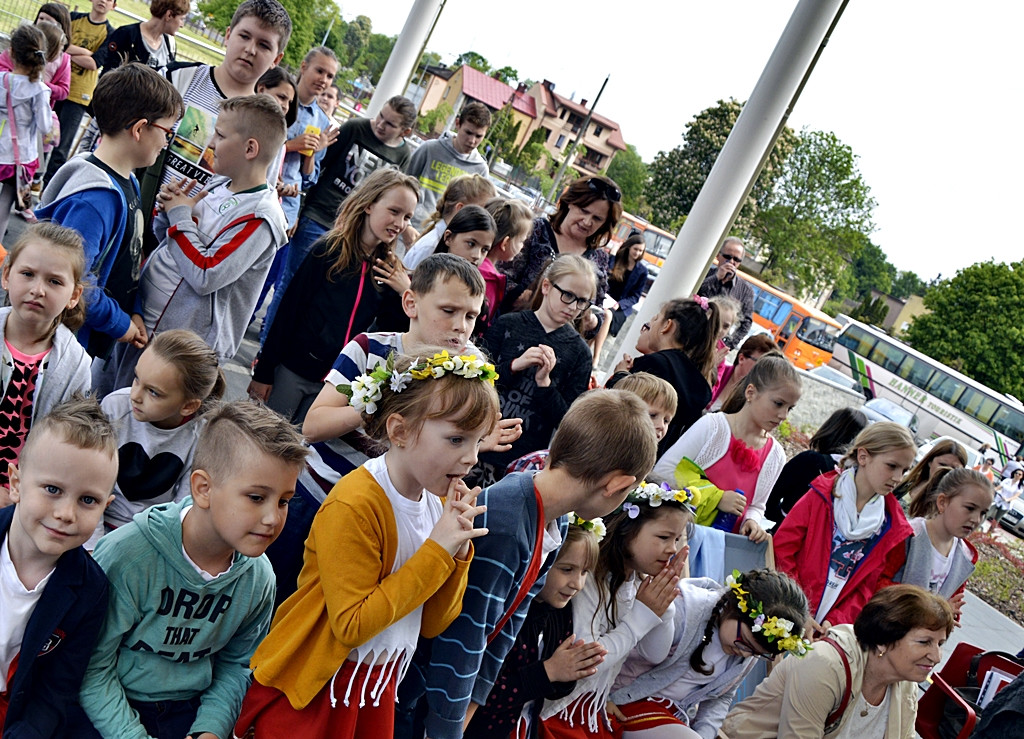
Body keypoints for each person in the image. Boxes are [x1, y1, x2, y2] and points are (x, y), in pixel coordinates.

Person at [236, 351, 496, 736]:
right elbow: (351, 624)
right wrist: (437, 552)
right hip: (316, 689)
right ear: (400, 431)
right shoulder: (356, 501)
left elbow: (432, 624)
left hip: (373, 691)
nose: (471, 457)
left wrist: (456, 556)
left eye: (478, 441)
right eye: (456, 438)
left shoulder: (437, 503)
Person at [396, 389, 659, 739]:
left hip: (445, 699)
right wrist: (446, 731)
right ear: (617, 485)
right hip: (411, 691)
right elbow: (462, 638)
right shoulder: (507, 523)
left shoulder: (557, 520)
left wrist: (470, 708)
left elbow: (504, 630)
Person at [272, 254, 517, 606]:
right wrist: (378, 399)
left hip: (381, 515)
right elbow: (313, 425)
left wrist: (474, 437)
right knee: (284, 598)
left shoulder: (467, 368)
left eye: (471, 316)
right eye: (448, 311)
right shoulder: (370, 348)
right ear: (411, 303)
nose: (461, 326)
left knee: (341, 604)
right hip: (318, 496)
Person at [76, 401, 308, 739]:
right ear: (203, 489)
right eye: (257, 497)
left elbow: (236, 665)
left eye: (284, 501)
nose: (273, 518)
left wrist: (210, 730)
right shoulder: (127, 557)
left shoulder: (259, 579)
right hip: (110, 708)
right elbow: (91, 666)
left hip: (191, 710)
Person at [98, 93, 288, 394]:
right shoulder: (217, 184)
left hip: (179, 354)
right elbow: (171, 243)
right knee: (103, 402)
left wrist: (179, 216)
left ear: (251, 148)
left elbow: (205, 272)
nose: (210, 142)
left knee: (137, 426)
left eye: (221, 135)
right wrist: (168, 211)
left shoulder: (261, 217)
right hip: (141, 325)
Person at [248, 168, 419, 423]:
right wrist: (264, 372)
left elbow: (394, 332)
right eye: (394, 211)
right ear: (369, 204)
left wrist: (403, 292)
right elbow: (288, 311)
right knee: (263, 441)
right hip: (293, 371)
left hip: (336, 384)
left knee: (300, 456)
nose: (400, 223)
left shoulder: (388, 269)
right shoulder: (327, 250)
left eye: (407, 217)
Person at [36, 63, 183, 359]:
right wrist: (120, 323)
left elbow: (125, 262)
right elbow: (75, 282)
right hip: (64, 348)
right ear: (140, 129)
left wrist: (134, 311)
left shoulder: (127, 180)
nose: (167, 141)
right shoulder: (95, 199)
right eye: (167, 130)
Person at [0, 397, 117, 736]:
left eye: (87, 500)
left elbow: (55, 690)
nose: (67, 513)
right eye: (52, 489)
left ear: (106, 506)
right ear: (17, 483)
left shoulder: (90, 590)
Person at [539, 481, 691, 737]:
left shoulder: (636, 583)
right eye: (664, 537)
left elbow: (654, 654)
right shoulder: (588, 579)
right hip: (557, 710)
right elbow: (585, 662)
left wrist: (664, 607)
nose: (672, 549)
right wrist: (641, 617)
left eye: (677, 539)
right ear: (626, 529)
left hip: (590, 709)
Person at [260, 94, 416, 339]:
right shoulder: (355, 128)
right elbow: (318, 171)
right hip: (320, 216)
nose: (380, 124)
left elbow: (396, 193)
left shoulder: (403, 155)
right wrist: (301, 211)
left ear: (405, 131)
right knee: (293, 284)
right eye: (381, 116)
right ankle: (266, 344)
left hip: (356, 230)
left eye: (390, 124)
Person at [718, 585, 954, 739]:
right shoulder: (824, 664)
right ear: (883, 640)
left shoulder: (905, 683)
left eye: (940, 644)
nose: (936, 656)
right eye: (924, 642)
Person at [609, 570, 812, 739]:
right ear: (734, 607)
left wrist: (704, 734)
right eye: (745, 642)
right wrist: (602, 697)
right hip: (623, 700)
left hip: (669, 716)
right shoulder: (687, 612)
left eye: (757, 653)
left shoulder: (748, 649)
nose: (745, 652)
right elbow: (627, 651)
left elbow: (720, 698)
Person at [140, 0, 291, 222]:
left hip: (197, 247)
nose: (250, 50)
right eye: (244, 36)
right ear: (228, 35)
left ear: (276, 59)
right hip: (139, 221)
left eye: (264, 45)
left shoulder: (268, 126)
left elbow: (256, 198)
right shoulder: (175, 78)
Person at [464, 522, 604, 739]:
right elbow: (483, 696)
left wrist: (569, 672)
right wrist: (548, 672)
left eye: (585, 572)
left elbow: (555, 689)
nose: (577, 583)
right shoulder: (508, 615)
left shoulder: (558, 612)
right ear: (541, 561)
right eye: (567, 569)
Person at [774, 422, 916, 633]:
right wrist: (797, 607)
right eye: (891, 466)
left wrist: (834, 622)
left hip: (827, 628)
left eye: (904, 470)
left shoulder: (891, 525)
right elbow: (783, 548)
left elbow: (866, 588)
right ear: (863, 456)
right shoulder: (821, 495)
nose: (897, 478)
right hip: (785, 606)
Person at [653, 355, 801, 543]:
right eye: (778, 404)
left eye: (790, 408)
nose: (783, 415)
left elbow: (757, 505)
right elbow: (663, 473)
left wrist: (752, 522)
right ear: (751, 392)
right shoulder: (713, 426)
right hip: (677, 538)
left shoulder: (775, 455)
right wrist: (717, 498)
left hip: (719, 550)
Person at [477, 255, 596, 480]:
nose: (573, 307)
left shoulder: (580, 353)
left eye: (582, 301)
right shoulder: (507, 323)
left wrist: (545, 384)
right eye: (568, 295)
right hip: (478, 441)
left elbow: (567, 420)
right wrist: (513, 366)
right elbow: (474, 381)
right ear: (546, 286)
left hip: (523, 463)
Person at [97, 330, 225, 534]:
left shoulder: (203, 437)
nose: (135, 396)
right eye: (136, 378)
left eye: (153, 392)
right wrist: (93, 546)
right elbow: (89, 483)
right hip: (95, 521)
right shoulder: (114, 407)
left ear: (188, 406)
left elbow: (184, 510)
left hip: (151, 533)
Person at [0, 222, 89, 487]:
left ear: (73, 295)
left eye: (54, 281)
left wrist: (20, 493)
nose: (38, 289)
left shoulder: (76, 365)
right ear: (6, 276)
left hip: (23, 494)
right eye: (27, 274)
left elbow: (66, 443)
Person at [500, 175, 621, 358]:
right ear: (570, 202)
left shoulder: (599, 259)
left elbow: (597, 312)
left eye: (597, 218)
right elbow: (500, 276)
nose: (587, 222)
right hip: (510, 334)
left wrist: (592, 321)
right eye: (584, 210)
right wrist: (528, 297)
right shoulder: (536, 230)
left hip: (557, 353)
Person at [504, 371, 677, 476]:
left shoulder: (639, 482)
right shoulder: (542, 464)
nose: (661, 426)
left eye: (667, 420)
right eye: (653, 415)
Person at [609, 297, 721, 457]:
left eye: (656, 319)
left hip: (625, 450)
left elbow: (624, 406)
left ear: (667, 326)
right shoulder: (699, 383)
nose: (651, 324)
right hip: (655, 458)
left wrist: (620, 376)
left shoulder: (654, 363)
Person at [880, 467, 990, 623]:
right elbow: (878, 583)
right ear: (942, 502)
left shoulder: (966, 556)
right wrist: (934, 610)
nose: (976, 519)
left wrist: (948, 617)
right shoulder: (909, 535)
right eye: (970, 508)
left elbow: (953, 608)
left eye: (983, 513)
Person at [41, 0, 115, 188]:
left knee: (61, 147)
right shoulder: (73, 19)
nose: (102, 1)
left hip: (78, 94)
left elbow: (95, 63)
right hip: (54, 87)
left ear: (113, 6)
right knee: (43, 138)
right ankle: (32, 180)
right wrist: (85, 52)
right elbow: (54, 44)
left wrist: (65, 50)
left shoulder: (110, 33)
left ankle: (49, 189)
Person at [765, 407, 868, 524]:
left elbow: (768, 499)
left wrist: (784, 518)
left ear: (831, 428)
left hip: (786, 535)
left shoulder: (810, 460)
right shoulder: (858, 477)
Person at [0, 24, 52, 242]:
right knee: (6, 203)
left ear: (11, 52)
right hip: (21, 156)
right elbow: (44, 126)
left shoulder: (1, 79)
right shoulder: (39, 91)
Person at [406, 101, 491, 230]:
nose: (472, 140)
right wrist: (406, 225)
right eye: (468, 132)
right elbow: (404, 183)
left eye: (478, 136)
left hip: (444, 236)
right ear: (457, 124)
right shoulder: (430, 149)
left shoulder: (481, 170)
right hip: (410, 227)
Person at [277, 46, 337, 230]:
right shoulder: (277, 100)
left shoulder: (322, 121)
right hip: (260, 191)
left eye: (329, 76)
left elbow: (309, 178)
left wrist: (312, 152)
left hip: (288, 207)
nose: (323, 80)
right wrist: (290, 145)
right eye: (319, 71)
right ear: (303, 67)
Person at [402, 174, 497, 269]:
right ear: (460, 209)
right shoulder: (431, 247)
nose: (477, 255)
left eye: (484, 249)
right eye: (480, 211)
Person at [478, 196, 533, 329]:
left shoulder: (475, 262)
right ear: (505, 243)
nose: (522, 247)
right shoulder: (489, 280)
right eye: (521, 241)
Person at [93, 0, 187, 73]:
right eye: (182, 19)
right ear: (169, 15)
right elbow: (109, 74)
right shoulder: (126, 34)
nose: (182, 25)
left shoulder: (170, 45)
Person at [696, 238, 753, 350]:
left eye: (736, 260)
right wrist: (716, 277)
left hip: (714, 347)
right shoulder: (703, 274)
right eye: (727, 257)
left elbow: (746, 322)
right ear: (718, 255)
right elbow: (694, 293)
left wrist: (728, 344)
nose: (731, 262)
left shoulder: (745, 290)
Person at [708, 334, 777, 412]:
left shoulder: (753, 397)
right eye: (760, 364)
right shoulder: (717, 372)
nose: (763, 372)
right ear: (741, 358)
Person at [893, 437, 967, 503]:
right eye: (942, 465)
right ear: (930, 462)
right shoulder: (907, 481)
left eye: (954, 469)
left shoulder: (951, 503)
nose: (946, 471)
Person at [605, 232, 649, 337]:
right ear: (629, 247)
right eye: (635, 249)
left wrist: (619, 304)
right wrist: (613, 254)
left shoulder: (642, 271)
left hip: (621, 307)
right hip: (606, 299)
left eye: (640, 250)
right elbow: (606, 274)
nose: (637, 253)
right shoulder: (617, 260)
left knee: (608, 318)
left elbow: (635, 296)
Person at [986, 466, 1023, 531]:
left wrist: (1008, 499)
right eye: (1016, 473)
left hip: (1006, 504)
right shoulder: (1007, 480)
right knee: (987, 513)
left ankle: (989, 533)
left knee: (996, 520)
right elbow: (999, 487)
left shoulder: (1020, 487)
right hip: (998, 500)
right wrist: (993, 490)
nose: (1017, 475)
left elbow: (1015, 496)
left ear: (1021, 476)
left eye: (1019, 474)